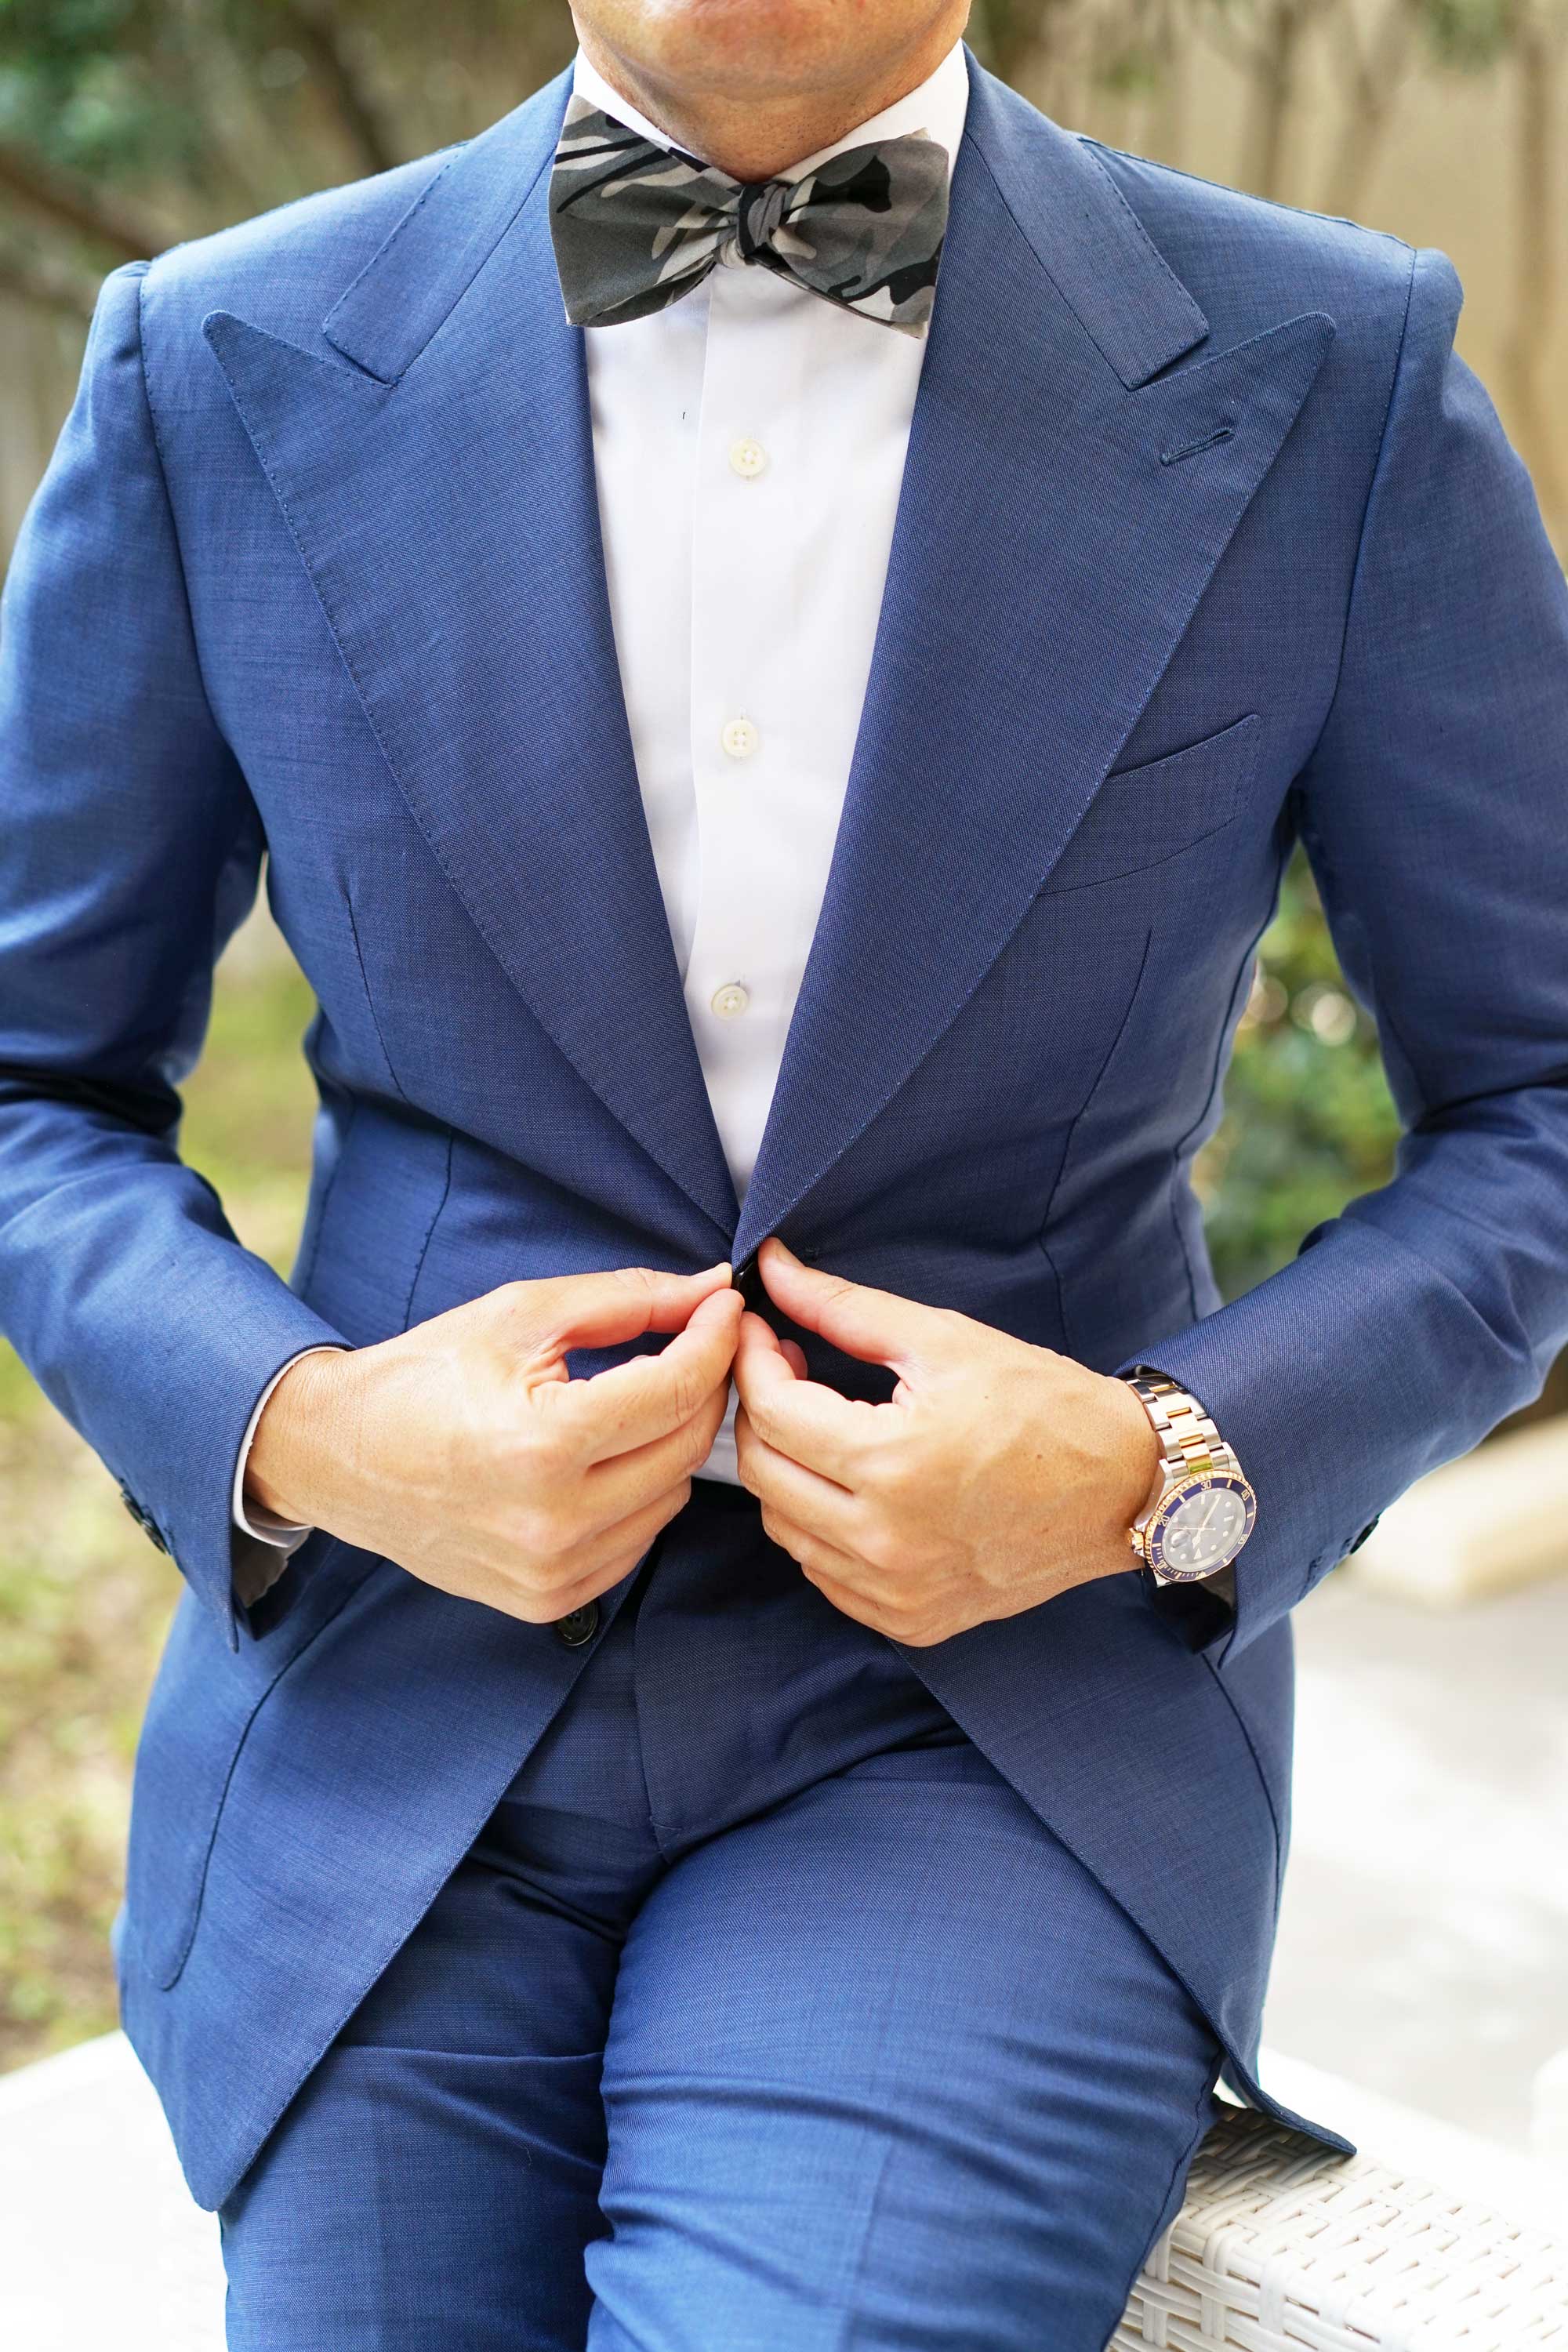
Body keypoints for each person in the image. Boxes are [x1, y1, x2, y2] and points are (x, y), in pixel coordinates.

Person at [2, 0, 1566, 2339]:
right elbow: (32, 1080)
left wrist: (1164, 1463)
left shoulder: (1328, 367)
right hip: (399, 1725)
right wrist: (314, 1432)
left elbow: (1540, 1099)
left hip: (990, 1728)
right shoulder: (209, 358)